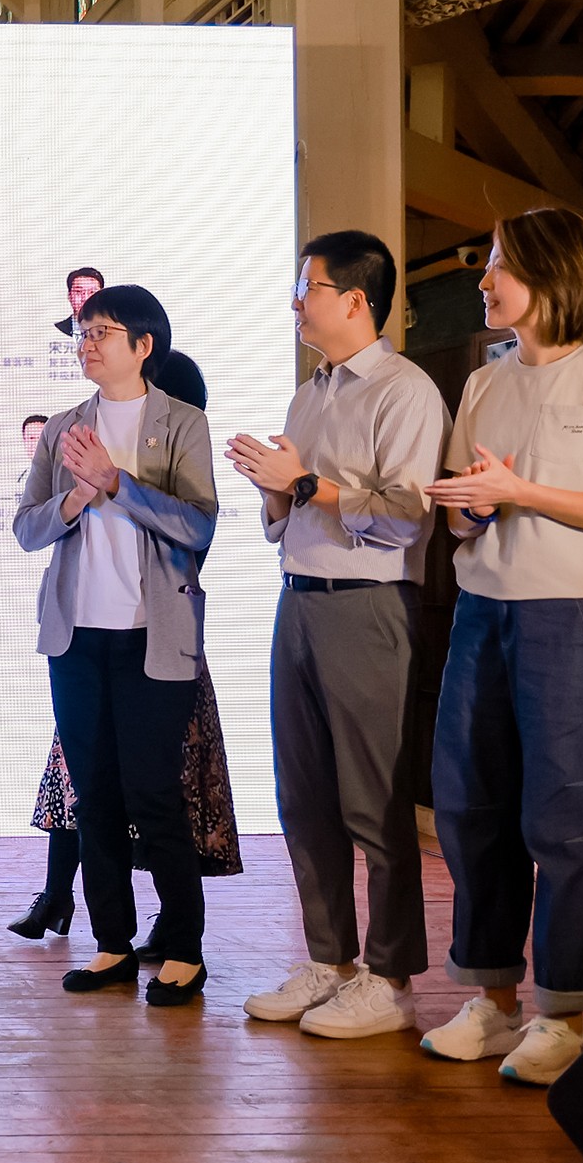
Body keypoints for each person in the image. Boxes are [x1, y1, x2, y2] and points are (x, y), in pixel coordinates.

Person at [418, 207, 583, 1085]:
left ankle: (565, 1012)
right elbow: (462, 510)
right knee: (471, 805)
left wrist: (522, 491)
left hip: (576, 616)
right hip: (483, 610)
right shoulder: (485, 383)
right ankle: (492, 998)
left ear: (555, 272)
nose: (483, 281)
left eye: (498, 265)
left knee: (567, 815)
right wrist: (478, 506)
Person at [225, 231, 450, 1039]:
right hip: (299, 599)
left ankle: (390, 979)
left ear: (356, 299)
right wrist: (275, 489)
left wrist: (307, 483)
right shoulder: (309, 393)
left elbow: (407, 515)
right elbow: (293, 509)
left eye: (309, 287)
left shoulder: (404, 390)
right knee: (303, 794)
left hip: (369, 605)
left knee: (374, 800)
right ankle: (329, 960)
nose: (297, 302)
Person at [14, 285, 217, 1007]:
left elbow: (198, 527)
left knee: (154, 793)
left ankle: (184, 950)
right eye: (83, 332)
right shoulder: (63, 427)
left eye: (102, 331)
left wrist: (116, 483)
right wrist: (74, 497)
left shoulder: (181, 422)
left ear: (143, 345)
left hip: (152, 636)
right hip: (75, 637)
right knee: (93, 793)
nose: (88, 343)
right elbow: (27, 528)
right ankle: (112, 945)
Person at [50, 267, 106, 337]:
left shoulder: (111, 330)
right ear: (69, 296)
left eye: (92, 292)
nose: (85, 298)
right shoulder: (55, 331)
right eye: (79, 292)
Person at [16, 414, 48, 491]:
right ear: (24, 441)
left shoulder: (64, 477)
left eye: (40, 438)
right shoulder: (18, 480)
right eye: (31, 438)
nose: (36, 443)